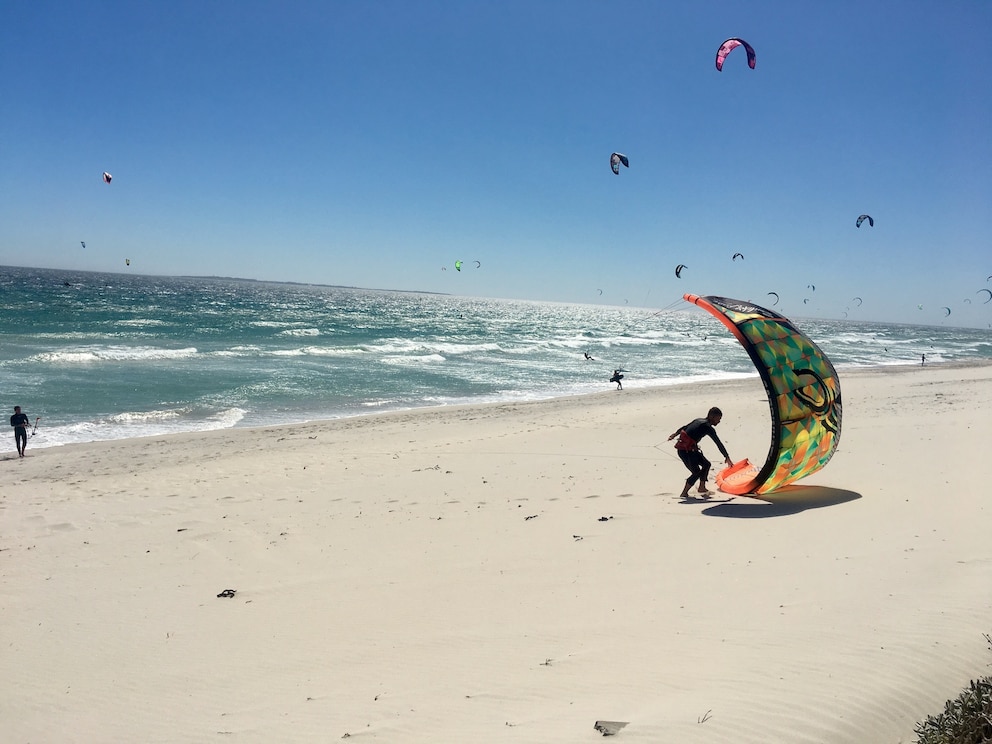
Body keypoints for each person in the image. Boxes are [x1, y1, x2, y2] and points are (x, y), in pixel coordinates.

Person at [668, 406, 733, 498]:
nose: (719, 421)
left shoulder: (698, 420)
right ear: (712, 416)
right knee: (697, 472)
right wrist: (726, 457)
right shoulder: (708, 427)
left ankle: (702, 487)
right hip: (685, 452)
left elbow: (684, 427)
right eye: (718, 418)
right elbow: (718, 443)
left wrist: (675, 434)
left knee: (706, 464)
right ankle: (684, 493)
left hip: (689, 450)